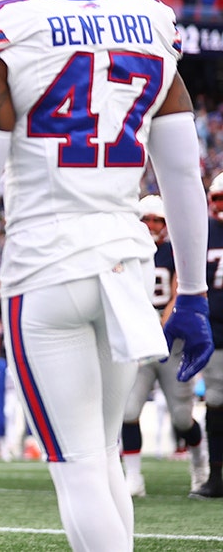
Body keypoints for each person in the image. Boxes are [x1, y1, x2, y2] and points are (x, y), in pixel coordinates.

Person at [0, 0, 213, 549]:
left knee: (79, 464)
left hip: (46, 269)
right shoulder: (150, 22)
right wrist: (193, 292)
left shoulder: (7, 24)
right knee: (105, 452)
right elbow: (181, 179)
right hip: (127, 264)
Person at [121, 195, 208, 496]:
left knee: (182, 417)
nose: (152, 225)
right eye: (147, 219)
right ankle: (133, 479)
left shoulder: (174, 253)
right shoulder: (127, 253)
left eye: (157, 219)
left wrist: (161, 325)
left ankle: (200, 466)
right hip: (138, 342)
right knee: (128, 411)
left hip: (171, 343)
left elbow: (178, 294)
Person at [198, 174, 223, 498]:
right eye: (216, 198)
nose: (220, 206)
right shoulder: (201, 232)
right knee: (216, 403)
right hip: (216, 331)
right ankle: (215, 474)